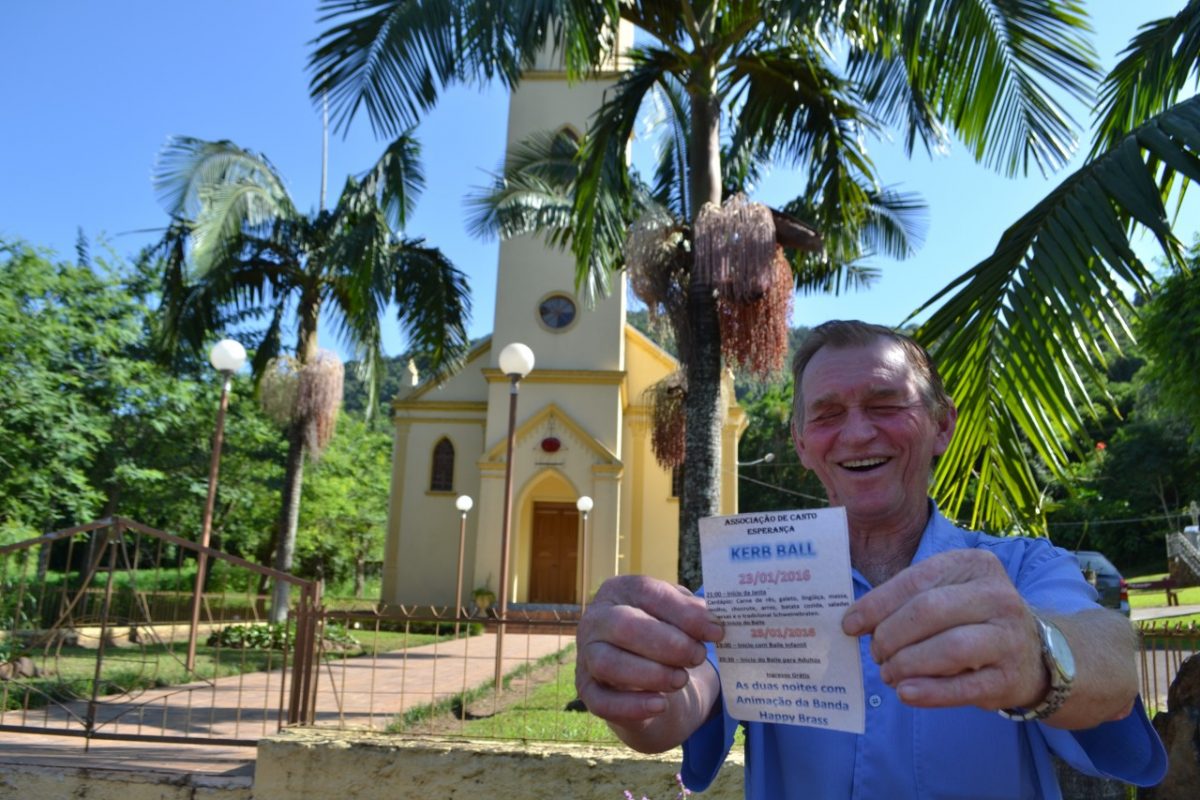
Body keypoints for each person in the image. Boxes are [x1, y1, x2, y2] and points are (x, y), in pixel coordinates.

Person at [575, 320, 1166, 798]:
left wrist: (1036, 652)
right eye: (828, 415)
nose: (857, 433)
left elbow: (1111, 667)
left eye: (886, 404)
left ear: (942, 426)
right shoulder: (751, 582)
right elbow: (676, 706)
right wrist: (633, 688)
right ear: (803, 445)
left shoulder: (1021, 571)